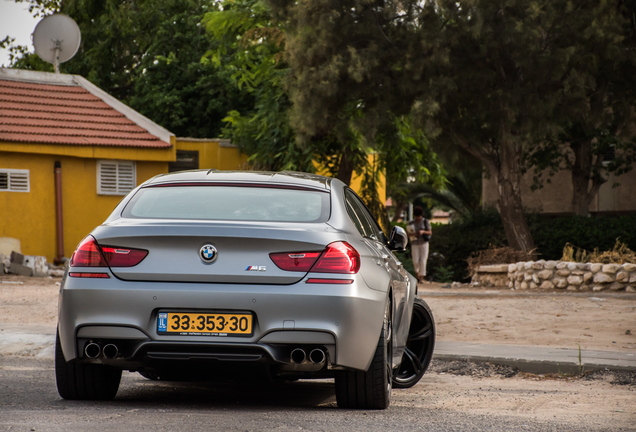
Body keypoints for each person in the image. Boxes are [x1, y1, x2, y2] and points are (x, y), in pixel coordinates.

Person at [407, 206, 432, 283]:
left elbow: (430, 232)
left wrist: (422, 232)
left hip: (424, 243)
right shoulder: (411, 223)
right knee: (415, 260)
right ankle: (417, 273)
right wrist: (415, 233)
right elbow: (408, 234)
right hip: (414, 243)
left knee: (423, 260)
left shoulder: (425, 222)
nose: (418, 217)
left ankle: (421, 278)